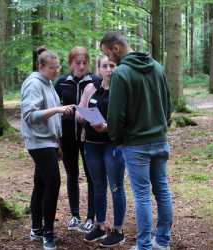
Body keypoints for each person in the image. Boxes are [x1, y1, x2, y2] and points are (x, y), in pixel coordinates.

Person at [100, 31, 173, 250]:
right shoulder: (157, 67)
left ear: (116, 48)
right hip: (160, 140)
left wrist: (116, 137)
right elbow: (168, 106)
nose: (109, 61)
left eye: (107, 54)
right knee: (162, 190)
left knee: (142, 195)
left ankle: (144, 246)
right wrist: (161, 128)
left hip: (136, 145)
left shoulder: (121, 73)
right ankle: (162, 242)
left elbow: (115, 115)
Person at [20, 47, 74, 250]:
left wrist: (58, 144)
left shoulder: (48, 83)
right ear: (40, 66)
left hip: (49, 142)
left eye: (58, 67)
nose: (56, 71)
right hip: (38, 142)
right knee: (53, 183)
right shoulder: (34, 84)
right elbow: (30, 115)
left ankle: (36, 229)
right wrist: (58, 109)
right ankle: (48, 234)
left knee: (41, 184)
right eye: (52, 68)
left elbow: (53, 121)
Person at [76, 55, 126, 248]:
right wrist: (86, 117)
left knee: (116, 186)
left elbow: (127, 120)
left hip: (113, 144)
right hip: (91, 143)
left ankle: (118, 230)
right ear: (99, 69)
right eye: (104, 66)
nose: (109, 69)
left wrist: (107, 126)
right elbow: (79, 113)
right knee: (98, 186)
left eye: (112, 65)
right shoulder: (91, 88)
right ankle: (100, 224)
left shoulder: (121, 90)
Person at [54, 46, 101, 233]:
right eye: (77, 62)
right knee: (72, 176)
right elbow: (53, 109)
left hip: (90, 138)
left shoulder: (96, 82)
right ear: (71, 63)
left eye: (84, 62)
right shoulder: (61, 83)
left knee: (92, 177)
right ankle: (75, 216)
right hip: (67, 138)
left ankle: (91, 217)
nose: (81, 66)